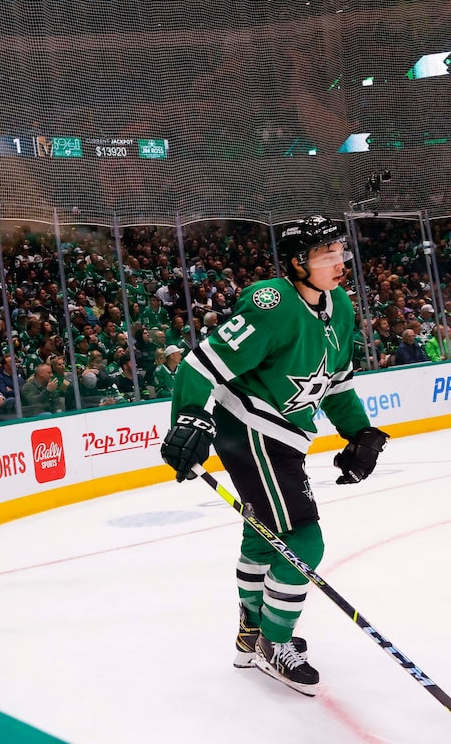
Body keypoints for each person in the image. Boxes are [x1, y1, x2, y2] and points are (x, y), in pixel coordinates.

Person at [160, 215, 387, 696]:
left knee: (263, 538)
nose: (339, 263)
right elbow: (202, 364)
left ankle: (250, 636)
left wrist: (358, 432)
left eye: (339, 252)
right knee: (304, 541)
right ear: (296, 262)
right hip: (251, 429)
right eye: (326, 255)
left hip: (284, 435)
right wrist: (188, 419)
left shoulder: (340, 305)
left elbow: (336, 383)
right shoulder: (272, 304)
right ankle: (272, 643)